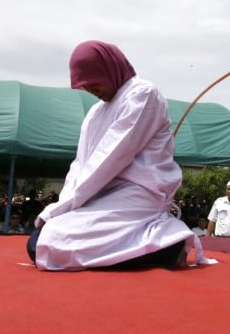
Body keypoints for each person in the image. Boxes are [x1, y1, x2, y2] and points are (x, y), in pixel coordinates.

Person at [27, 41, 211, 270]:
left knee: (48, 242)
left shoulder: (143, 94)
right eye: (85, 86)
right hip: (100, 196)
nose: (91, 90)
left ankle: (168, 245)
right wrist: (61, 207)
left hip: (139, 195)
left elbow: (109, 158)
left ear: (109, 69)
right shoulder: (95, 113)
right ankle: (150, 245)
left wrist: (58, 211)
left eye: (94, 82)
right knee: (43, 238)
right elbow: (81, 165)